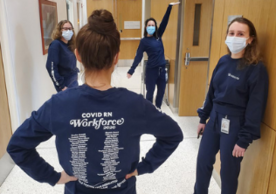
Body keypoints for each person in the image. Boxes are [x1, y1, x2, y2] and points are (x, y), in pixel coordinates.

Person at [7, 9, 183, 194]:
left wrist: (54, 177)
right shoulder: (135, 105)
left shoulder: (58, 105)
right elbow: (173, 134)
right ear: (116, 57)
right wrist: (144, 167)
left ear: (78, 56)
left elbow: (17, 146)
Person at [194, 17, 269, 194]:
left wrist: (243, 140)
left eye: (241, 34)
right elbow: (211, 92)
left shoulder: (256, 68)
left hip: (235, 124)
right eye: (232, 33)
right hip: (214, 119)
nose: (235, 37)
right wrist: (203, 118)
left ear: (250, 39)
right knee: (202, 162)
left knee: (228, 172)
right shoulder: (223, 61)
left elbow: (256, 107)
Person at [127, 2, 180, 109]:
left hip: (162, 70)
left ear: (155, 27)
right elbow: (138, 56)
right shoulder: (144, 41)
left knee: (160, 93)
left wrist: (169, 7)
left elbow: (165, 22)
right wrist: (131, 70)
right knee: (150, 93)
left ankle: (158, 110)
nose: (151, 27)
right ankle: (149, 112)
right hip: (151, 71)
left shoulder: (158, 36)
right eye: (149, 25)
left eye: (153, 25)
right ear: (146, 27)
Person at [46, 20, 79, 92]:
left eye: (70, 29)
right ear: (60, 30)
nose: (68, 31)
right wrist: (61, 86)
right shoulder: (56, 45)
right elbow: (51, 67)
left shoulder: (69, 45)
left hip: (73, 81)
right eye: (66, 29)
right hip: (65, 84)